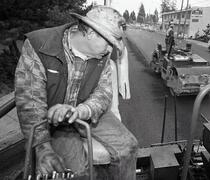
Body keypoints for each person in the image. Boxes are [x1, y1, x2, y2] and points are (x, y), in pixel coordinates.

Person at [15, 5, 138, 180]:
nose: (111, 50)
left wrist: (81, 111)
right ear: (91, 33)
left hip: (85, 111)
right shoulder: (40, 46)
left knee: (129, 147)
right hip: (52, 120)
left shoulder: (102, 57)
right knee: (77, 171)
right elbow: (29, 104)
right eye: (109, 42)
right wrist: (43, 148)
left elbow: (103, 93)